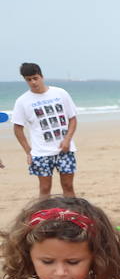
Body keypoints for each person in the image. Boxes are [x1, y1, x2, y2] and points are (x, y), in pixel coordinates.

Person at [11, 62, 79, 197]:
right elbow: (17, 128)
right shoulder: (22, 101)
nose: (33, 82)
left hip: (65, 150)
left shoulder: (60, 93)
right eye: (28, 80)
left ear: (42, 76)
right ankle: (43, 217)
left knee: (68, 186)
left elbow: (72, 119)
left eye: (35, 78)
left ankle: (70, 216)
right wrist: (28, 151)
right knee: (45, 188)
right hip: (41, 153)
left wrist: (67, 140)